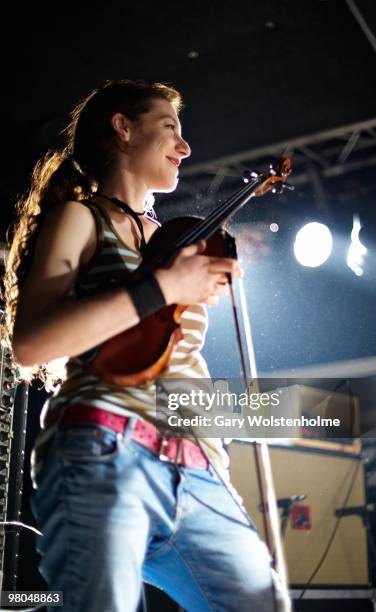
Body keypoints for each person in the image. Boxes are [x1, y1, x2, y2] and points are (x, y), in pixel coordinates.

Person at [2, 79, 281, 611]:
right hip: (105, 446)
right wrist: (163, 287)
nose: (186, 146)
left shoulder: (178, 242)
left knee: (263, 600)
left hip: (198, 465)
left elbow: (177, 364)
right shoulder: (81, 217)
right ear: (123, 128)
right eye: (170, 127)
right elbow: (33, 343)